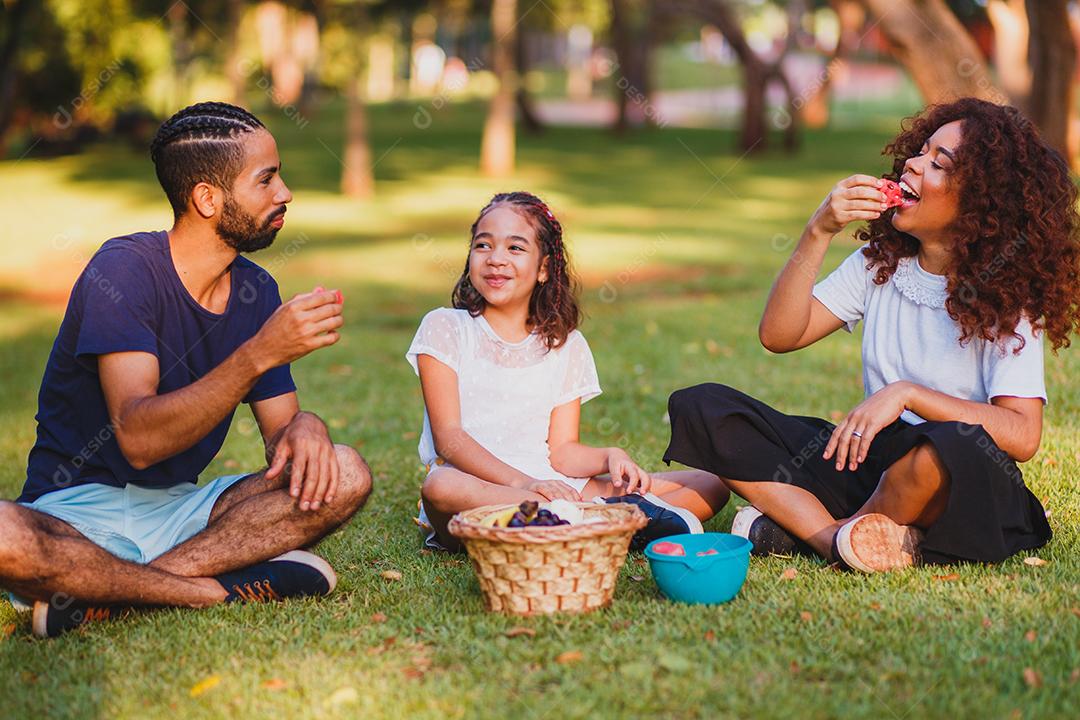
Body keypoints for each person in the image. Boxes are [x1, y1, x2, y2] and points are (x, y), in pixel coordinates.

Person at [0, 102, 372, 637]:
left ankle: (114, 592)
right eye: (266, 179)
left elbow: (281, 444)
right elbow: (139, 438)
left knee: (346, 471)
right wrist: (257, 354)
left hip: (179, 515)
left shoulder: (256, 290)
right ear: (206, 198)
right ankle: (211, 587)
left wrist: (308, 426)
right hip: (72, 516)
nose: (285, 192)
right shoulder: (124, 270)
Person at [664, 98, 1077, 572]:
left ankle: (822, 528)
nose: (914, 165)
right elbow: (779, 335)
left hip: (955, 470)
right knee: (704, 407)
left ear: (980, 202)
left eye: (938, 163)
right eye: (920, 151)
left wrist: (907, 395)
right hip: (867, 459)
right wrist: (818, 230)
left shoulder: (1008, 296)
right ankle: (839, 538)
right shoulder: (880, 263)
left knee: (944, 449)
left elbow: (1023, 435)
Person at [408, 191, 729, 551]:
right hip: (482, 492)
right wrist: (525, 485)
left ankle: (582, 519)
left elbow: (562, 452)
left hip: (553, 485)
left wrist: (609, 455)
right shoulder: (445, 328)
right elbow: (449, 440)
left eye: (515, 248)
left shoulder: (566, 344)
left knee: (711, 483)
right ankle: (599, 520)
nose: (496, 259)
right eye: (483, 245)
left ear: (544, 268)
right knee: (441, 487)